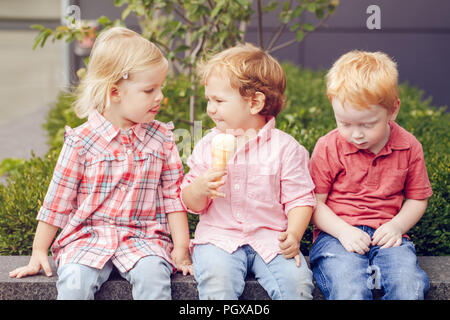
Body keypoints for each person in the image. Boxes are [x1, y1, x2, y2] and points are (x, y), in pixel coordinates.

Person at [9, 27, 192, 300]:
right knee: (75, 283)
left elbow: (173, 198)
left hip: (144, 239)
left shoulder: (162, 138)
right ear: (115, 92)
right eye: (149, 89)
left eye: (160, 87)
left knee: (154, 277)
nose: (159, 97)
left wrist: (181, 248)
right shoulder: (82, 141)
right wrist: (38, 251)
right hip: (87, 238)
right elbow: (57, 200)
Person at [181, 43, 315, 300]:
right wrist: (199, 188)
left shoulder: (286, 148)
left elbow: (300, 198)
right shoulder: (207, 145)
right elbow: (191, 203)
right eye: (209, 99)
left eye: (219, 100)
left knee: (297, 284)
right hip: (218, 239)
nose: (210, 108)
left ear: (255, 102)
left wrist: (295, 234)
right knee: (217, 284)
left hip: (271, 239)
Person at [309, 50, 432, 300]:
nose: (356, 134)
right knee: (348, 288)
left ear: (393, 110)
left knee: (408, 286)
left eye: (367, 124)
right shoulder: (328, 147)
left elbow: (417, 198)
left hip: (387, 235)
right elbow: (313, 203)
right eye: (344, 123)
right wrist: (343, 231)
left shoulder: (409, 146)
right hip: (337, 237)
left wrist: (397, 226)